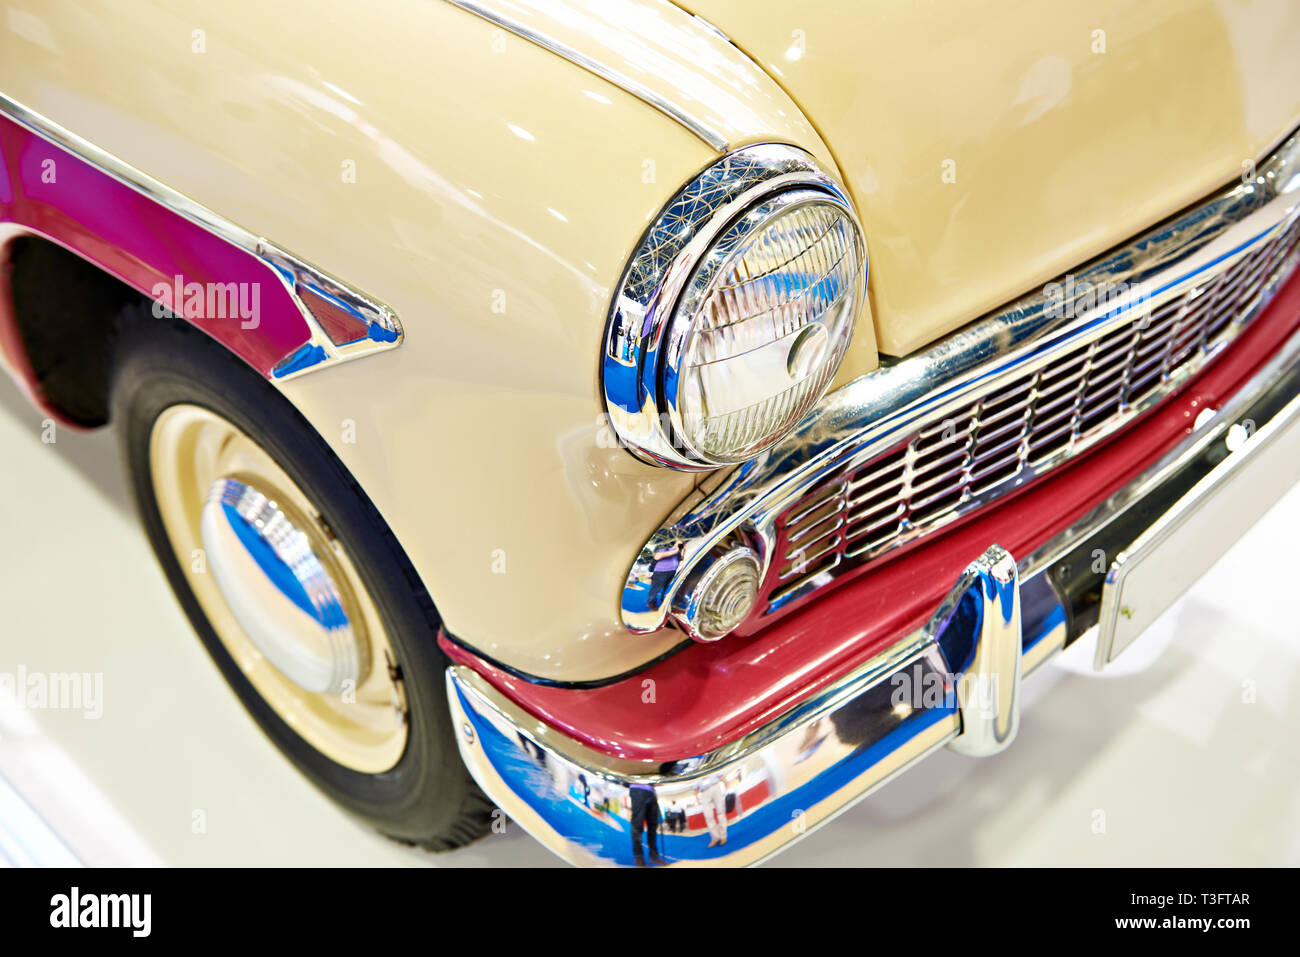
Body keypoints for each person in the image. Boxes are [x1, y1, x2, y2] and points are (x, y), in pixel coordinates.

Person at [627, 783, 665, 866]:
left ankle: (654, 856)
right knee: (637, 825)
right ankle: (639, 857)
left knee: (653, 826)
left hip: (651, 792)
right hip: (637, 788)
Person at [696, 775, 728, 848]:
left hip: (715, 786)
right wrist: (696, 797)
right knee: (708, 816)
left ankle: (723, 836)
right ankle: (715, 838)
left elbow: (719, 773)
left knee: (720, 812)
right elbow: (695, 786)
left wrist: (726, 782)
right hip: (704, 792)